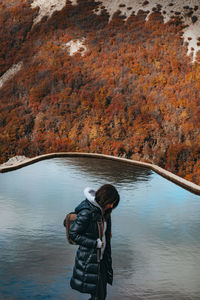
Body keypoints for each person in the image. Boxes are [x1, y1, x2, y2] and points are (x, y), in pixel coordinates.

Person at [69, 184, 120, 300]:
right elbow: (73, 234)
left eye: (114, 203)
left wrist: (106, 234)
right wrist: (94, 243)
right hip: (90, 260)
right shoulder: (87, 212)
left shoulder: (104, 211)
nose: (112, 206)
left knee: (100, 295)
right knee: (98, 296)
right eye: (111, 202)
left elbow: (101, 229)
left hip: (100, 260)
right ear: (104, 199)